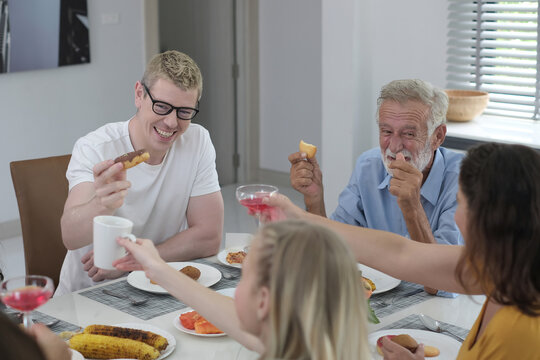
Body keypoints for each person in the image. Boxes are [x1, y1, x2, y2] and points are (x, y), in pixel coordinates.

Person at [266, 142, 540, 359]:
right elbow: (399, 252)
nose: (456, 216)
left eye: (460, 204)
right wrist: (299, 218)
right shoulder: (507, 268)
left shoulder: (518, 331)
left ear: (488, 219)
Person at [56, 50, 224, 296]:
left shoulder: (197, 141)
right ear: (139, 94)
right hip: (91, 295)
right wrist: (102, 204)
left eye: (184, 112)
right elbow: (70, 237)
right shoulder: (95, 147)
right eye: (162, 106)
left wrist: (136, 260)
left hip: (156, 288)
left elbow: (209, 237)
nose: (171, 122)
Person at [289, 79, 464, 296]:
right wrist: (314, 200)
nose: (394, 146)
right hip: (377, 299)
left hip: (442, 307)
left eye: (409, 134)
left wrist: (413, 208)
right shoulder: (368, 166)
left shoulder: (464, 180)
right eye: (386, 131)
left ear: (437, 137)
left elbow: (441, 284)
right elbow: (331, 251)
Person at [114, 220, 371, 360]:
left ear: (263, 302)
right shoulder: (311, 341)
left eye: (244, 276)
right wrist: (157, 268)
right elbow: (243, 322)